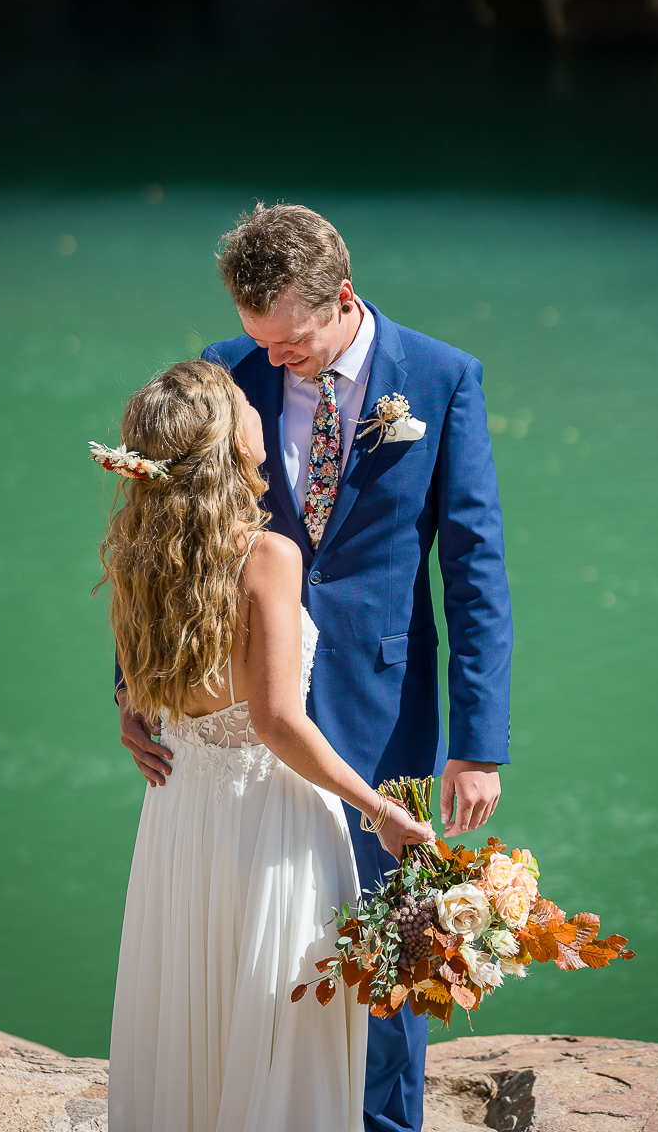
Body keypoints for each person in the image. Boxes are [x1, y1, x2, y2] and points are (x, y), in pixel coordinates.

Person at [118, 203, 513, 1132]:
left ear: (341, 298)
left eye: (291, 344)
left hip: (385, 706)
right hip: (239, 709)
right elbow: (158, 536)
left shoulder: (442, 378)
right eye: (262, 343)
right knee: (256, 948)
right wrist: (138, 688)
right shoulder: (222, 371)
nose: (276, 359)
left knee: (391, 940)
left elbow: (474, 567)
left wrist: (478, 742)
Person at [97, 359, 433, 1132]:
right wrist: (379, 809)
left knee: (188, 1008)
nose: (259, 409)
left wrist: (127, 706)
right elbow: (277, 721)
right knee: (279, 1023)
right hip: (267, 821)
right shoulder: (266, 556)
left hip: (180, 813)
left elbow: (146, 674)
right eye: (246, 404)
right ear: (230, 441)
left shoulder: (137, 550)